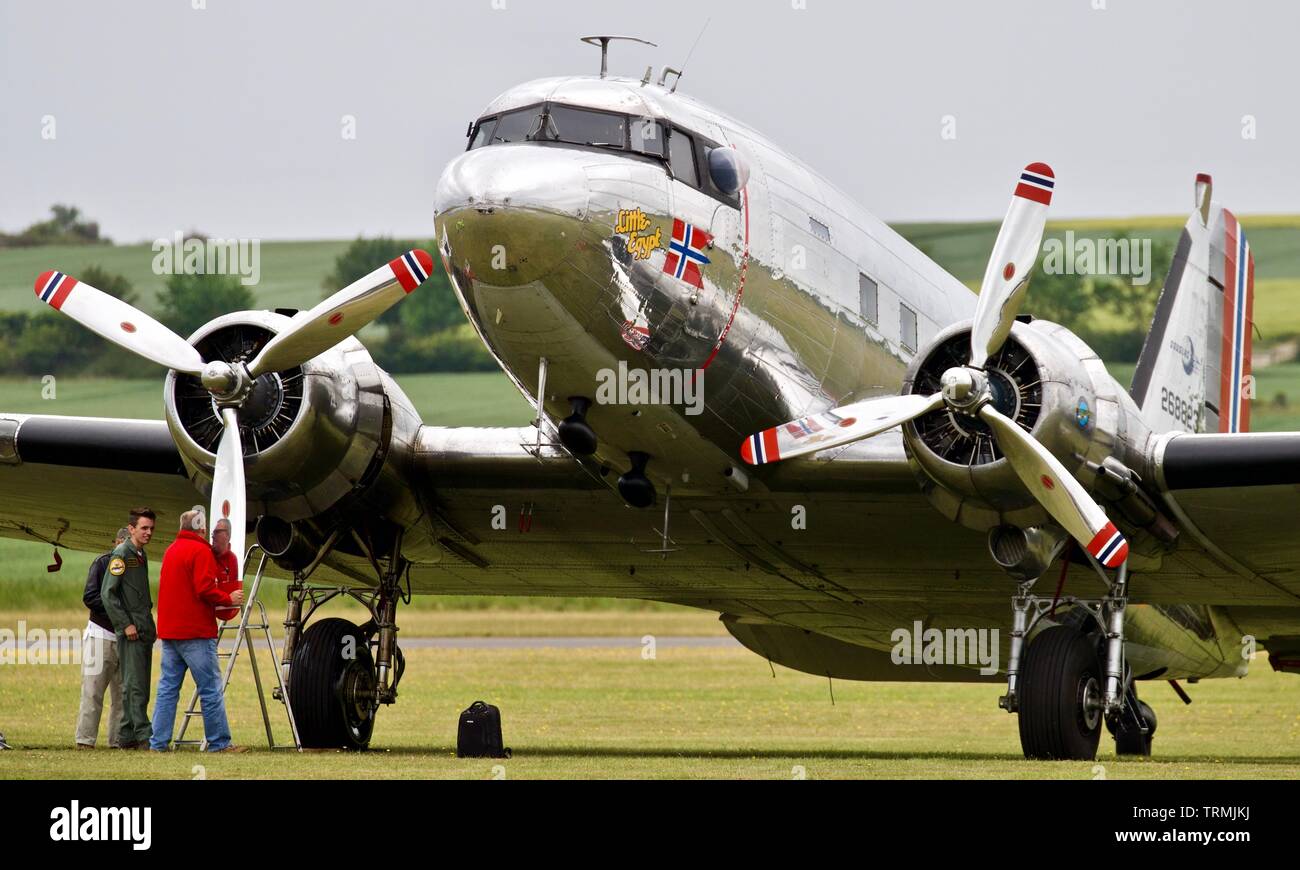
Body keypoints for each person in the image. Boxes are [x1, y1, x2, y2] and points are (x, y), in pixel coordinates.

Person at [149, 507, 245, 752]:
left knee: (168, 689)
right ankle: (219, 743)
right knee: (210, 688)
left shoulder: (171, 550)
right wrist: (228, 597)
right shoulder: (200, 551)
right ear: (201, 528)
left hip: (170, 632)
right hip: (196, 632)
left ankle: (158, 743)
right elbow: (204, 588)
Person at [99, 507, 157, 750]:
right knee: (135, 686)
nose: (149, 532)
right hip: (132, 631)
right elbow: (107, 594)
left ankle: (126, 736)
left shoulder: (140, 555)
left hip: (143, 630)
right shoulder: (122, 554)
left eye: (151, 528)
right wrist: (126, 624)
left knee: (138, 683)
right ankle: (144, 736)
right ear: (131, 529)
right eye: (144, 528)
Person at [74, 527, 129, 750]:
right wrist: (118, 613)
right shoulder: (102, 563)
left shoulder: (134, 566)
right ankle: (85, 740)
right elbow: (90, 597)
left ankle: (118, 740)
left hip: (126, 637)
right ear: (115, 541)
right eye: (122, 542)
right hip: (100, 634)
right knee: (92, 691)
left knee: (123, 695)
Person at [210, 517, 243, 624]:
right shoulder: (207, 555)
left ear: (227, 536)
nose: (213, 536)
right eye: (213, 532)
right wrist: (228, 599)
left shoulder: (233, 559)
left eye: (217, 532)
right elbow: (205, 590)